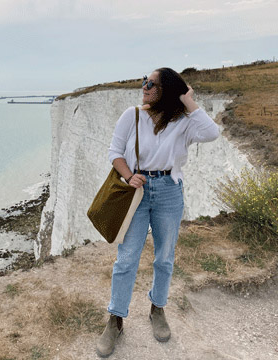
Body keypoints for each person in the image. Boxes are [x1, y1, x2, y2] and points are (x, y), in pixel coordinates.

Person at [96, 67, 220, 358]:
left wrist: (188, 100)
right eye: (144, 81)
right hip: (136, 192)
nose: (144, 86)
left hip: (168, 191)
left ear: (166, 90)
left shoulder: (184, 122)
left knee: (165, 256)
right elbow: (115, 152)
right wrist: (129, 176)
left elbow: (212, 132)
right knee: (126, 259)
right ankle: (115, 320)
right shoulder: (133, 115)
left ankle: (157, 309)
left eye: (151, 83)